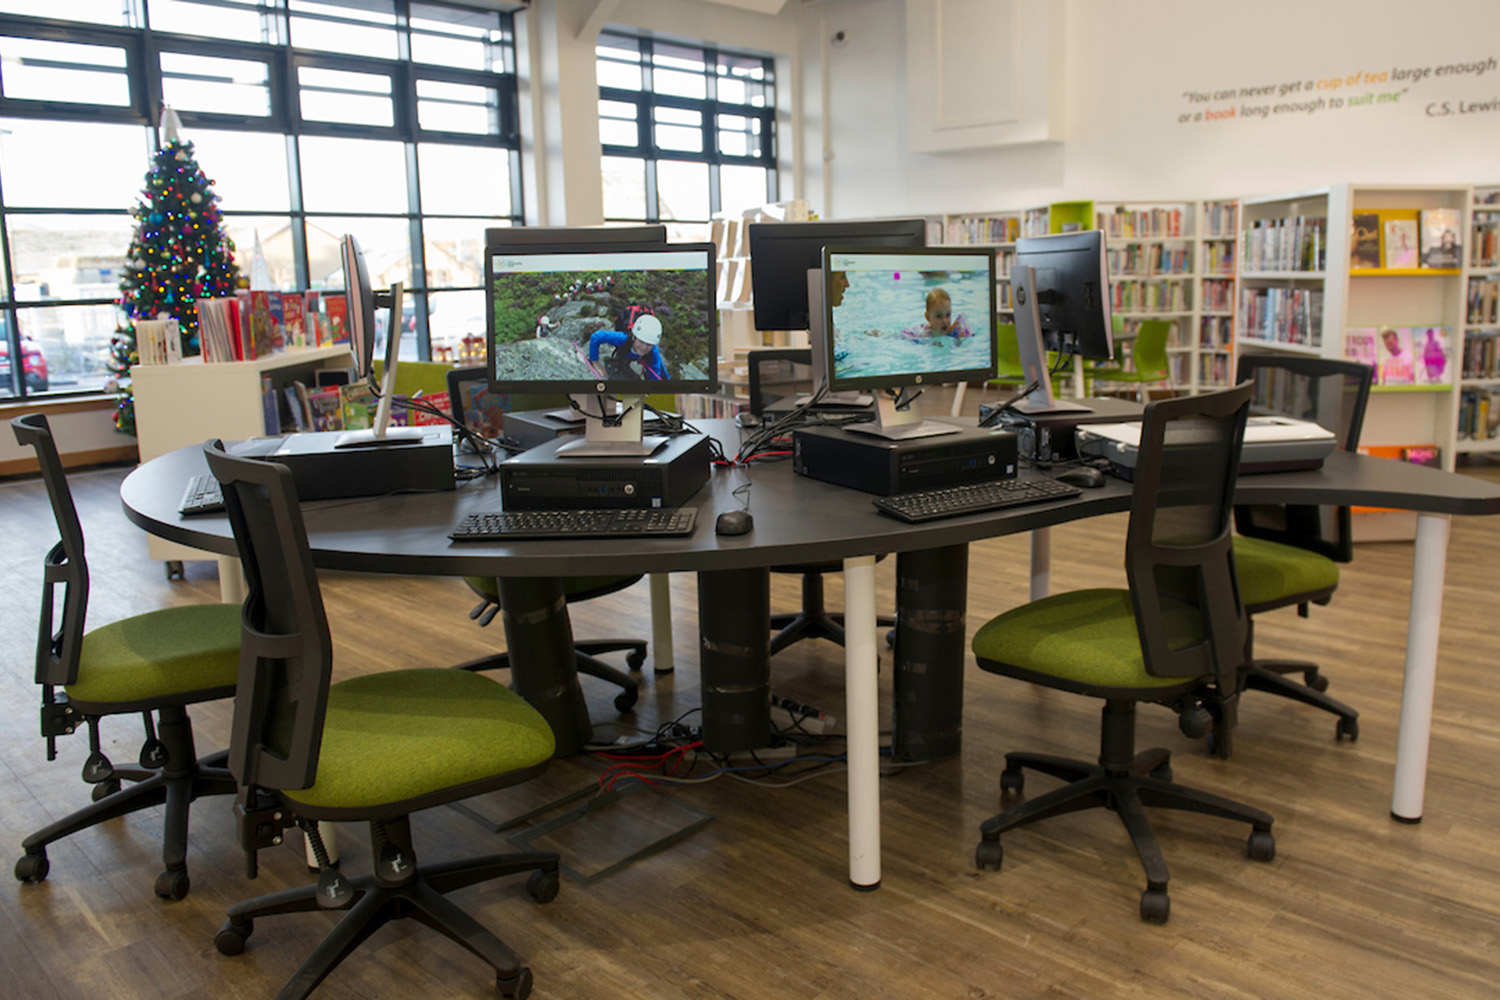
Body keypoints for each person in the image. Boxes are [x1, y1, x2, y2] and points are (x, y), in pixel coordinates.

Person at [588, 308, 668, 380]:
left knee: (663, 374)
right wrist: (595, 362)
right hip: (625, 351)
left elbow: (655, 374)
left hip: (631, 354)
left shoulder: (653, 352)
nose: (644, 347)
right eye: (641, 341)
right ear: (633, 336)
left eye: (649, 344)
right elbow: (596, 337)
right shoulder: (622, 338)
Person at [905, 288, 972, 343]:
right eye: (939, 316)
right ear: (928, 317)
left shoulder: (952, 331)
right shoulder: (924, 335)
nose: (945, 321)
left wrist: (959, 340)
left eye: (948, 315)